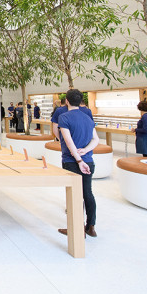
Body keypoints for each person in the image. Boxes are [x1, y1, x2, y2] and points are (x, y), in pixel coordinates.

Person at [57, 89, 99, 238]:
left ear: (66, 101)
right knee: (87, 193)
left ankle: (76, 228)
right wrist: (85, 151)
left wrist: (78, 159)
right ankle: (91, 226)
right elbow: (96, 140)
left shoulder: (64, 117)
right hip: (89, 160)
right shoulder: (87, 117)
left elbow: (69, 142)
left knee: (74, 194)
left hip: (72, 161)